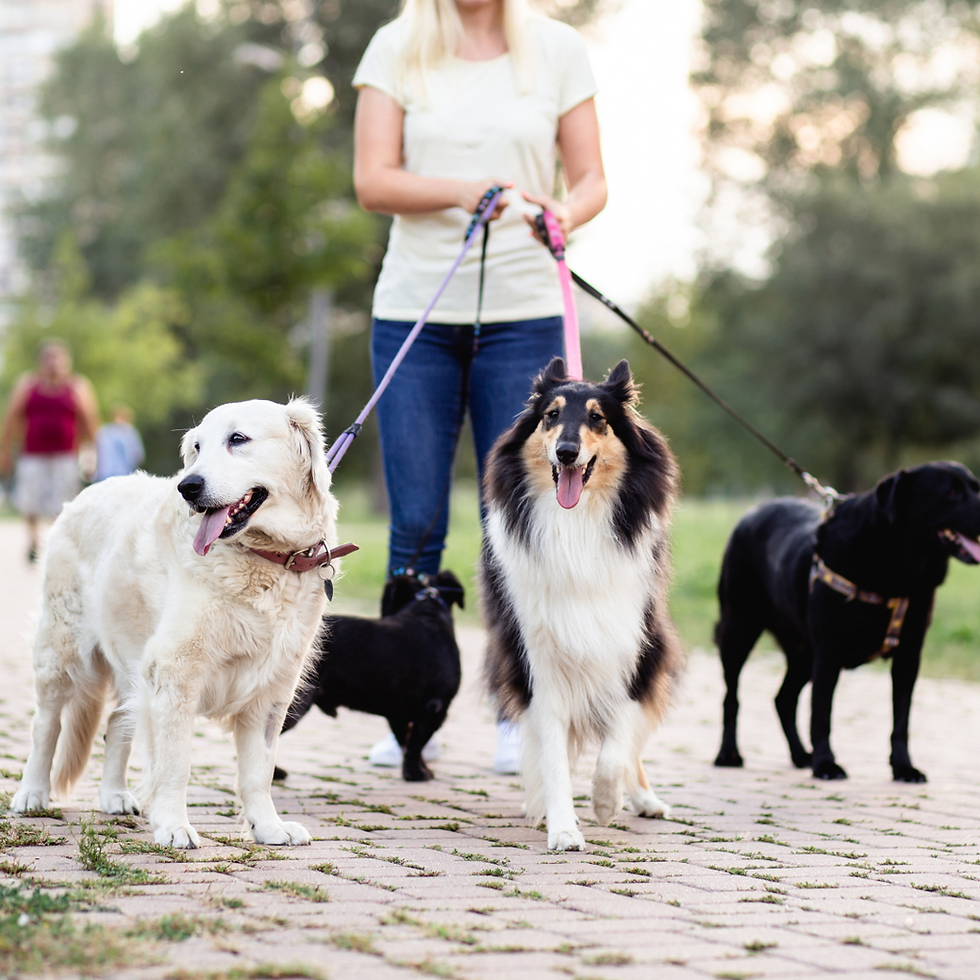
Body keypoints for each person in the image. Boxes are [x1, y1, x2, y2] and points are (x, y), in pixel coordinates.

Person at [352, 0, 607, 773]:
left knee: (520, 522)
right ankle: (406, 713)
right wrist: (463, 190)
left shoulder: (558, 50)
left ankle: (518, 711)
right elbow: (373, 180)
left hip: (527, 319)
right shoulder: (396, 47)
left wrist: (563, 211)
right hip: (416, 315)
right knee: (418, 522)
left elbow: (593, 179)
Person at [0, 340, 100, 562]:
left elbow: (90, 421)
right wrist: (5, 451)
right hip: (32, 454)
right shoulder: (27, 385)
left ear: (67, 362)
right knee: (30, 500)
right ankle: (33, 539)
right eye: (49, 358)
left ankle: (57, 540)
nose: (54, 364)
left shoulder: (77, 386)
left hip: (65, 455)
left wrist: (92, 452)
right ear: (41, 362)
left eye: (59, 358)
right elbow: (11, 418)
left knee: (63, 500)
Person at [95, 404, 145, 481]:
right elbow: (139, 456)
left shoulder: (103, 430)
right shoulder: (130, 432)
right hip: (124, 474)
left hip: (104, 474)